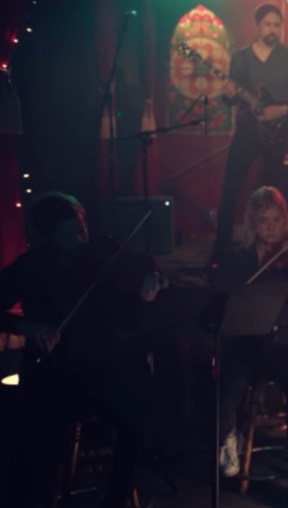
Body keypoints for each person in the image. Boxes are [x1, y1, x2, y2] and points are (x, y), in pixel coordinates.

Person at [0, 192, 166, 508]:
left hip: (102, 369)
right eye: (69, 235)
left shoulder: (102, 259)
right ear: (47, 238)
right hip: (51, 373)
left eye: (82, 229)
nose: (81, 240)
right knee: (40, 446)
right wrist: (28, 326)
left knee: (140, 420)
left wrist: (149, 286)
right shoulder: (31, 267)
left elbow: (141, 274)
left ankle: (116, 500)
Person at [213, 186, 288, 508]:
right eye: (264, 221)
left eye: (276, 220)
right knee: (225, 390)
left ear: (285, 221)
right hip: (248, 343)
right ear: (253, 223)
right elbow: (224, 305)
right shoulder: (238, 261)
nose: (271, 227)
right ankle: (228, 437)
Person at [211, 3, 288, 265]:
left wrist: (282, 110)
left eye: (277, 25)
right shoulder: (240, 58)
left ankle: (275, 252)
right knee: (230, 188)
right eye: (268, 24)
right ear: (257, 26)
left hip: (276, 133)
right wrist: (228, 95)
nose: (273, 30)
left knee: (274, 193)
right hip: (247, 131)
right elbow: (233, 99)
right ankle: (219, 253)